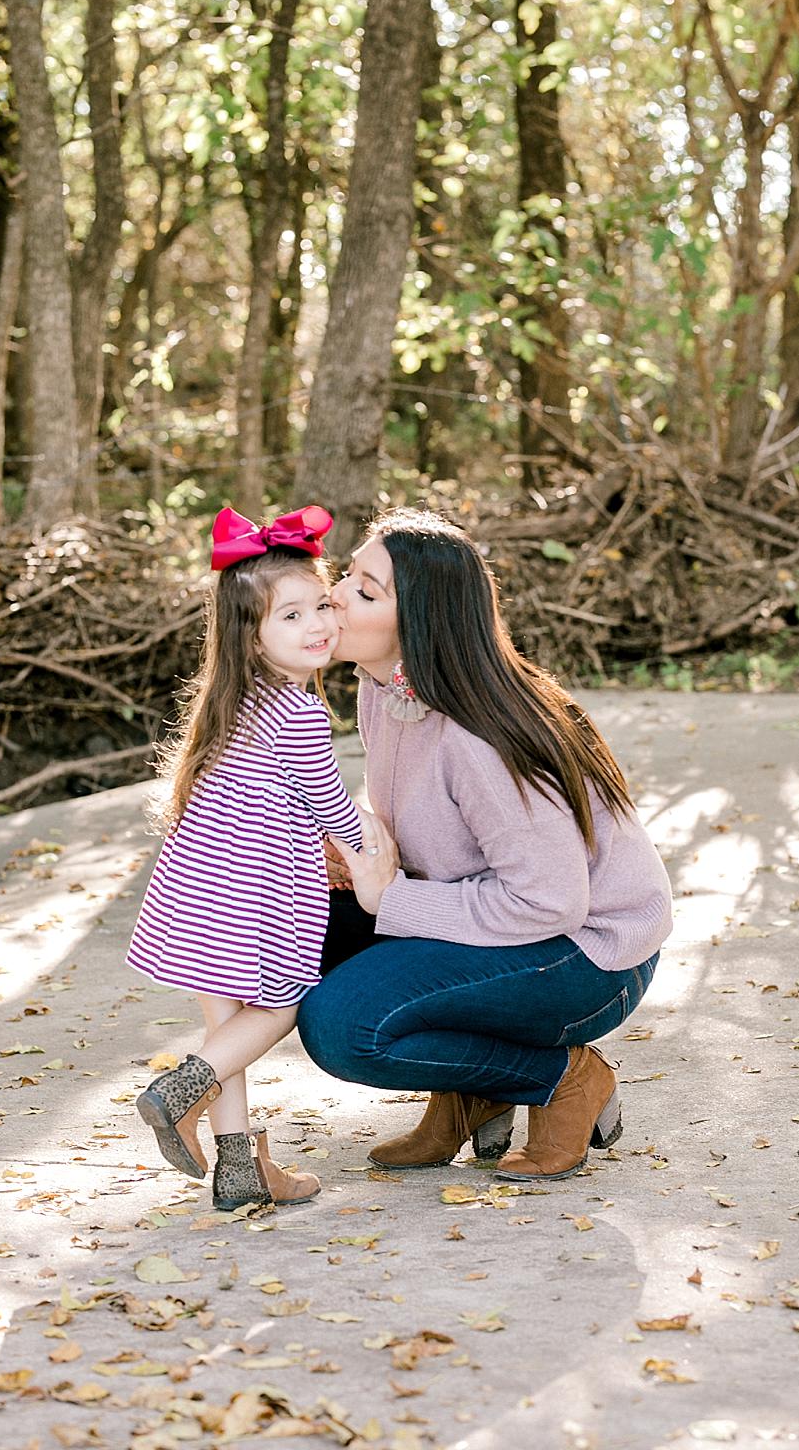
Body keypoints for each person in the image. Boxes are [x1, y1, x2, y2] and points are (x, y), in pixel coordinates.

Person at [296, 506, 672, 1180]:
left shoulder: (478, 736)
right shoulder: (384, 692)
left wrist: (393, 901)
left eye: (365, 590)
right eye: (347, 574)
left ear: (420, 623)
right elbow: (432, 826)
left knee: (342, 1028)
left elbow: (551, 902)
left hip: (589, 956)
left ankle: (561, 1078)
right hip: (500, 923)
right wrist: (348, 845)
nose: (335, 596)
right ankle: (471, 1091)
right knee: (287, 922)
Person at [126, 506, 373, 1211]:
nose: (318, 625)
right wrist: (368, 852)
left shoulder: (233, 699)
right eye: (290, 617)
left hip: (196, 883)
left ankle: (237, 1170)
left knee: (225, 1025)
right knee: (278, 1008)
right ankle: (179, 1089)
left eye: (320, 605)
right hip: (255, 891)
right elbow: (328, 802)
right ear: (252, 636)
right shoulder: (296, 711)